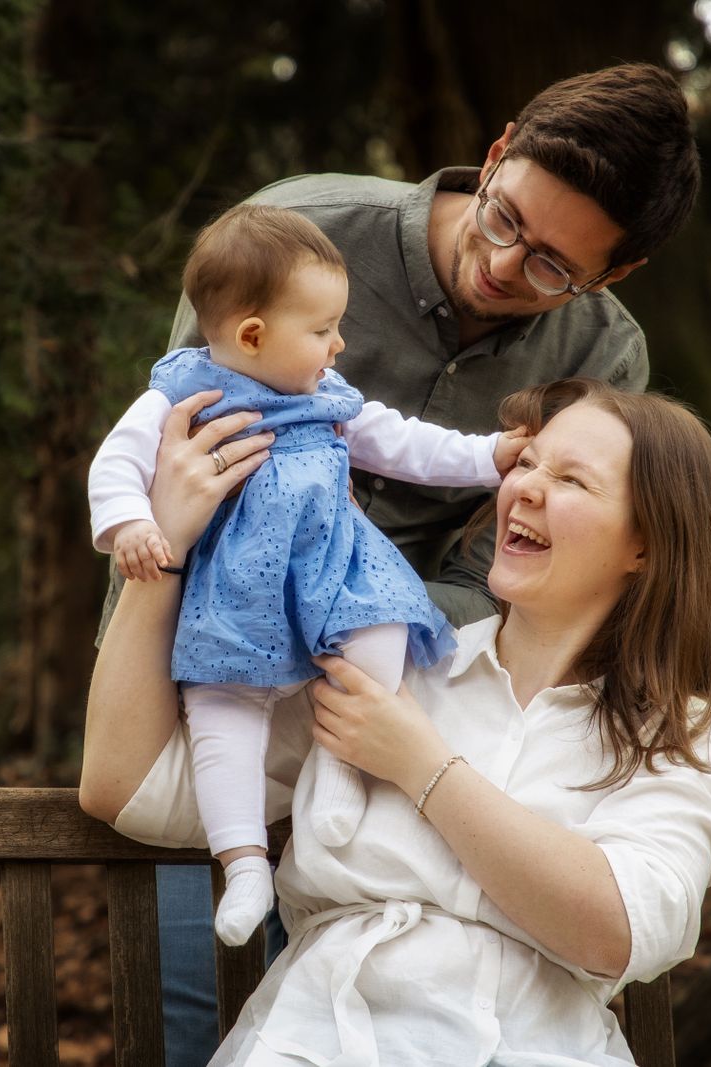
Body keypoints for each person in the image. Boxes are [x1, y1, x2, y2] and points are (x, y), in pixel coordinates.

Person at [97, 62, 703, 1063]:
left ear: (614, 275)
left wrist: (360, 648)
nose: (507, 265)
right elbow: (181, 470)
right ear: (498, 150)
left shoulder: (602, 355)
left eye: (555, 264)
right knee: (200, 1005)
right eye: (504, 219)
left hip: (406, 692)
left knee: (356, 956)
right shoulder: (295, 233)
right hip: (215, 670)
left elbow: (508, 568)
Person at [80, 377, 711, 1065]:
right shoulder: (390, 659)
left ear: (645, 543)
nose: (525, 488)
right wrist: (160, 551)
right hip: (319, 1043)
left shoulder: (679, 737)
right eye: (525, 463)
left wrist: (422, 766)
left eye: (573, 480)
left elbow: (616, 928)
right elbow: (127, 787)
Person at [88, 203, 529, 946]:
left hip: (332, 576)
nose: (339, 343)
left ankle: (344, 777)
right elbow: (118, 461)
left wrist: (488, 457)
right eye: (322, 330)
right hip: (235, 594)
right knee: (223, 713)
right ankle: (244, 860)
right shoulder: (183, 393)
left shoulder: (325, 398)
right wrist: (133, 523)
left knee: (382, 628)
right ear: (253, 335)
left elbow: (402, 442)